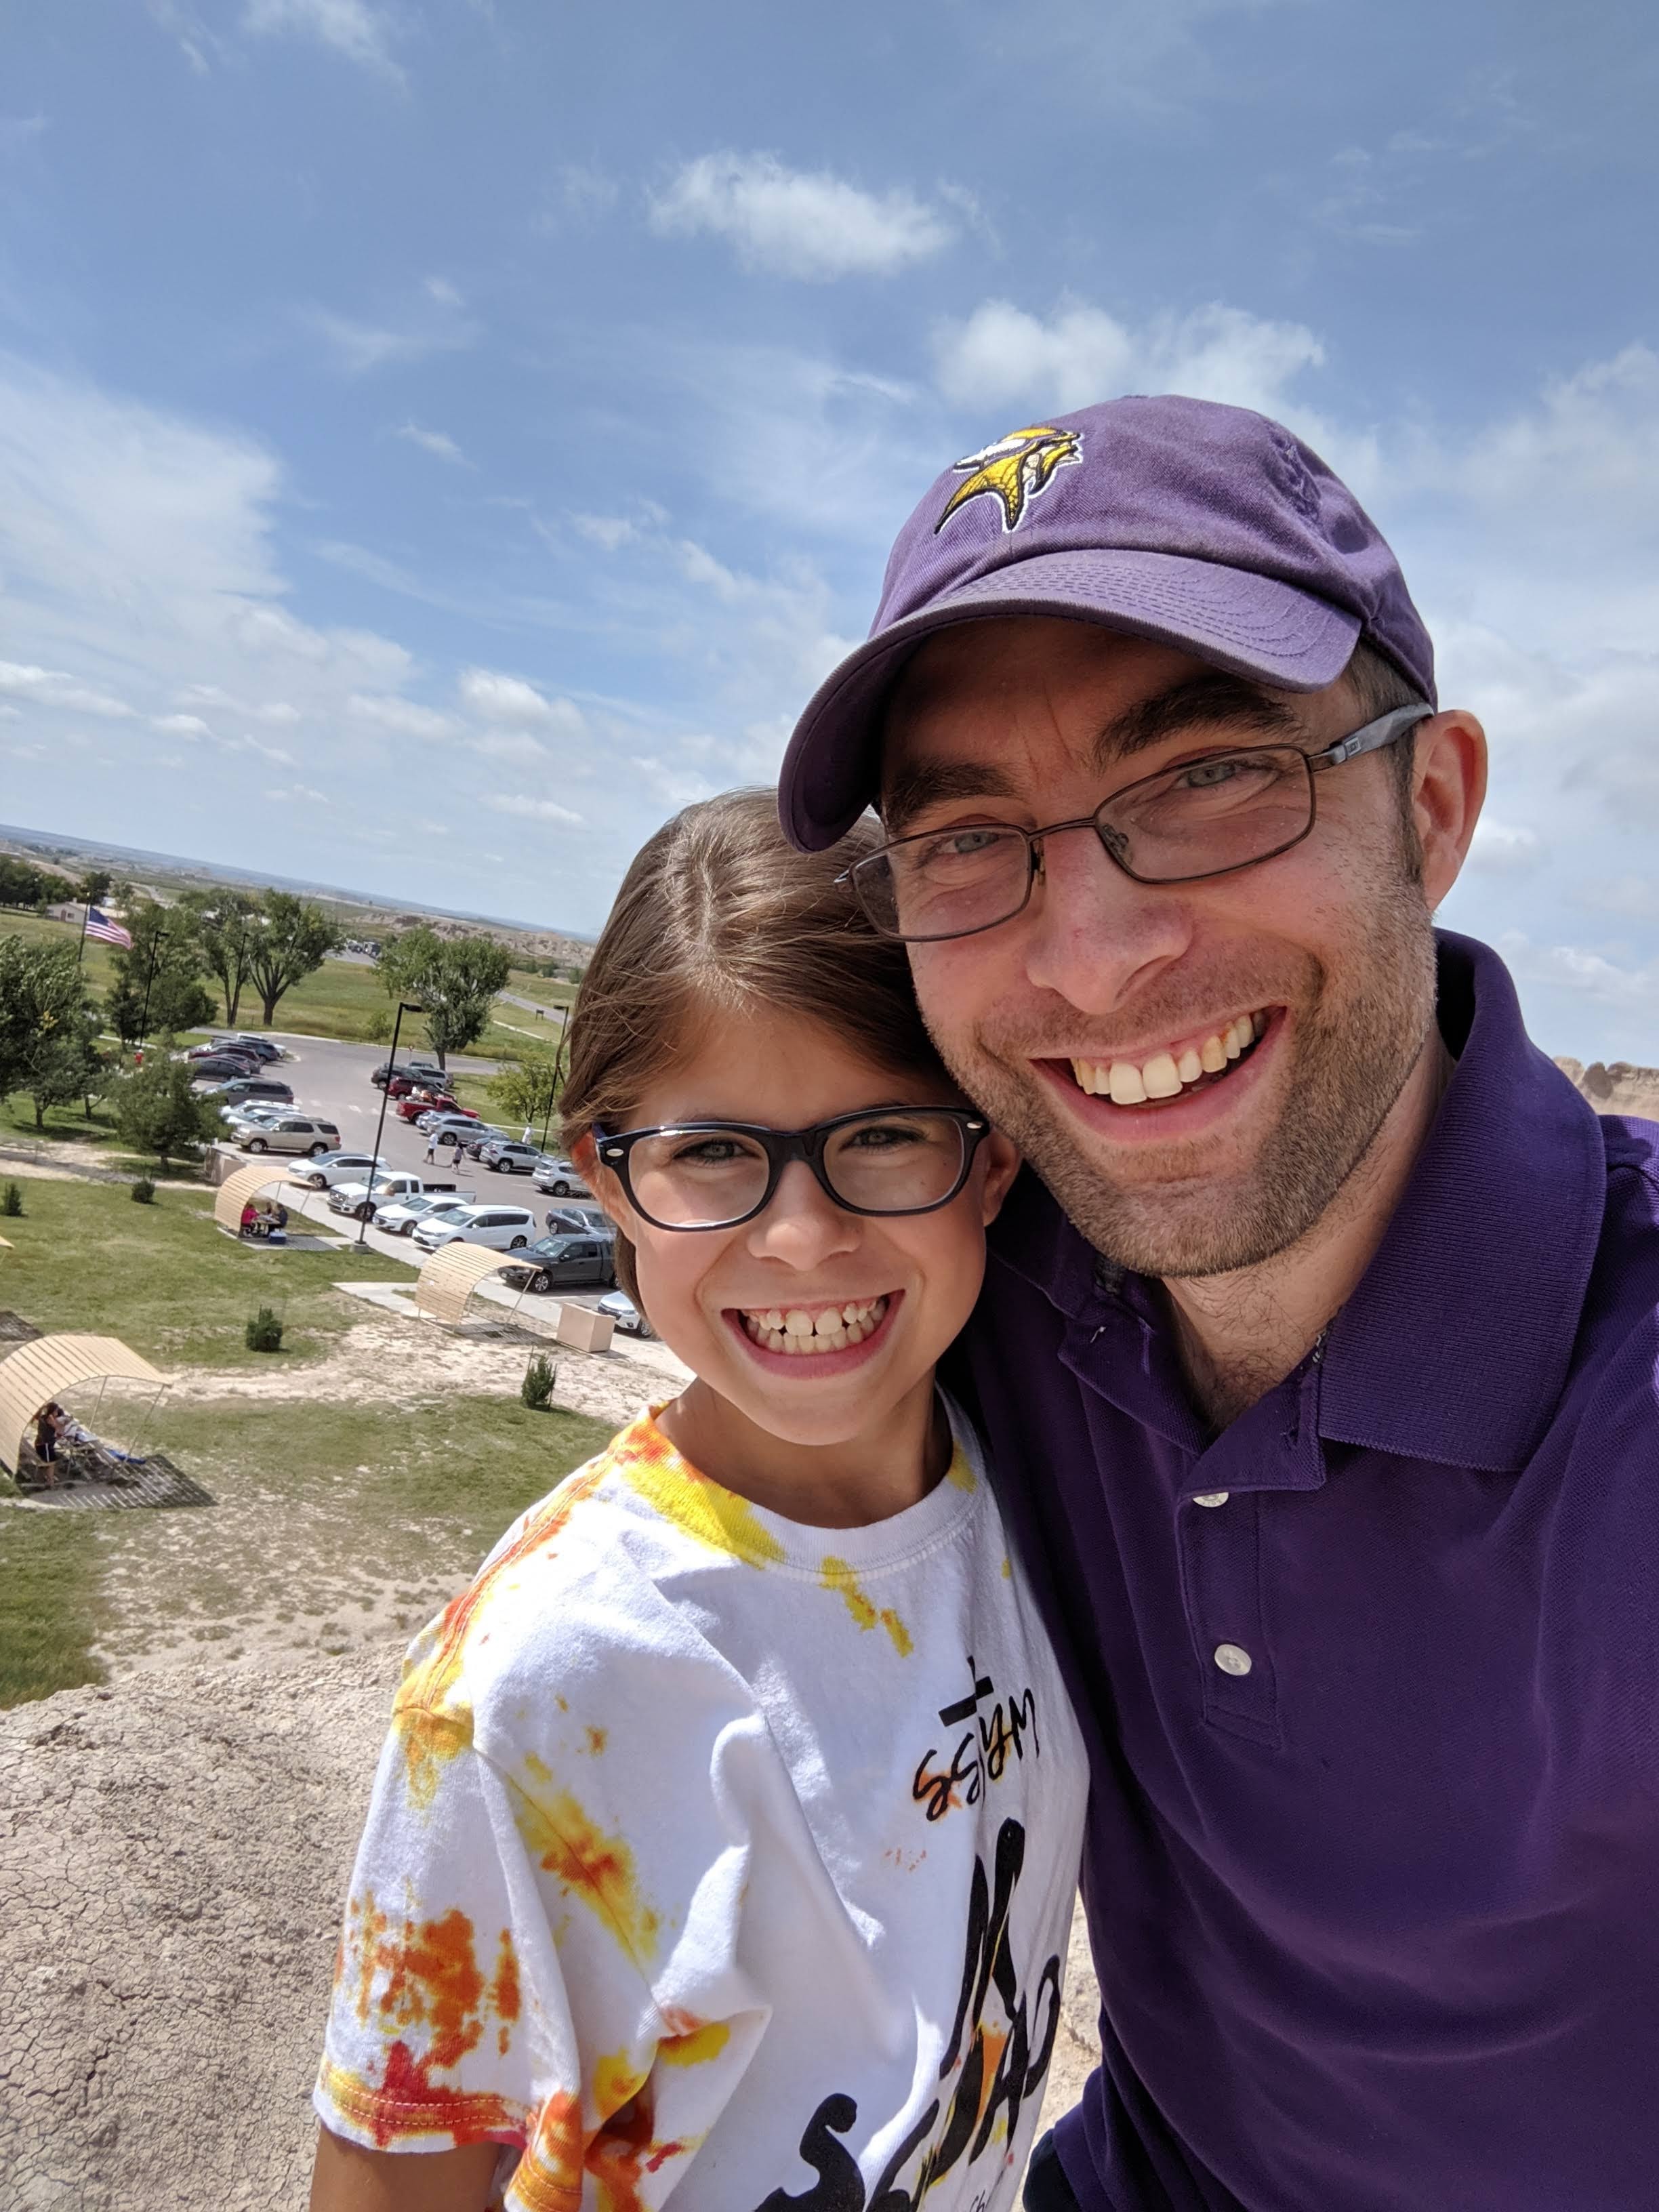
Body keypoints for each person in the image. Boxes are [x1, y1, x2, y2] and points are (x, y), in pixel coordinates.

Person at [779, 392, 1659, 2211]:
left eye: (1209, 776)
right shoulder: (989, 1276)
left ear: (1430, 808)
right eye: (967, 840)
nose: (1098, 961)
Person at [309, 792, 1085, 2212]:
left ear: (992, 1155)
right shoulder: (533, 1690)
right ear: (608, 1179)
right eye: (713, 1152)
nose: (801, 1236)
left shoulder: (1041, 1494)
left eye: (883, 1134)